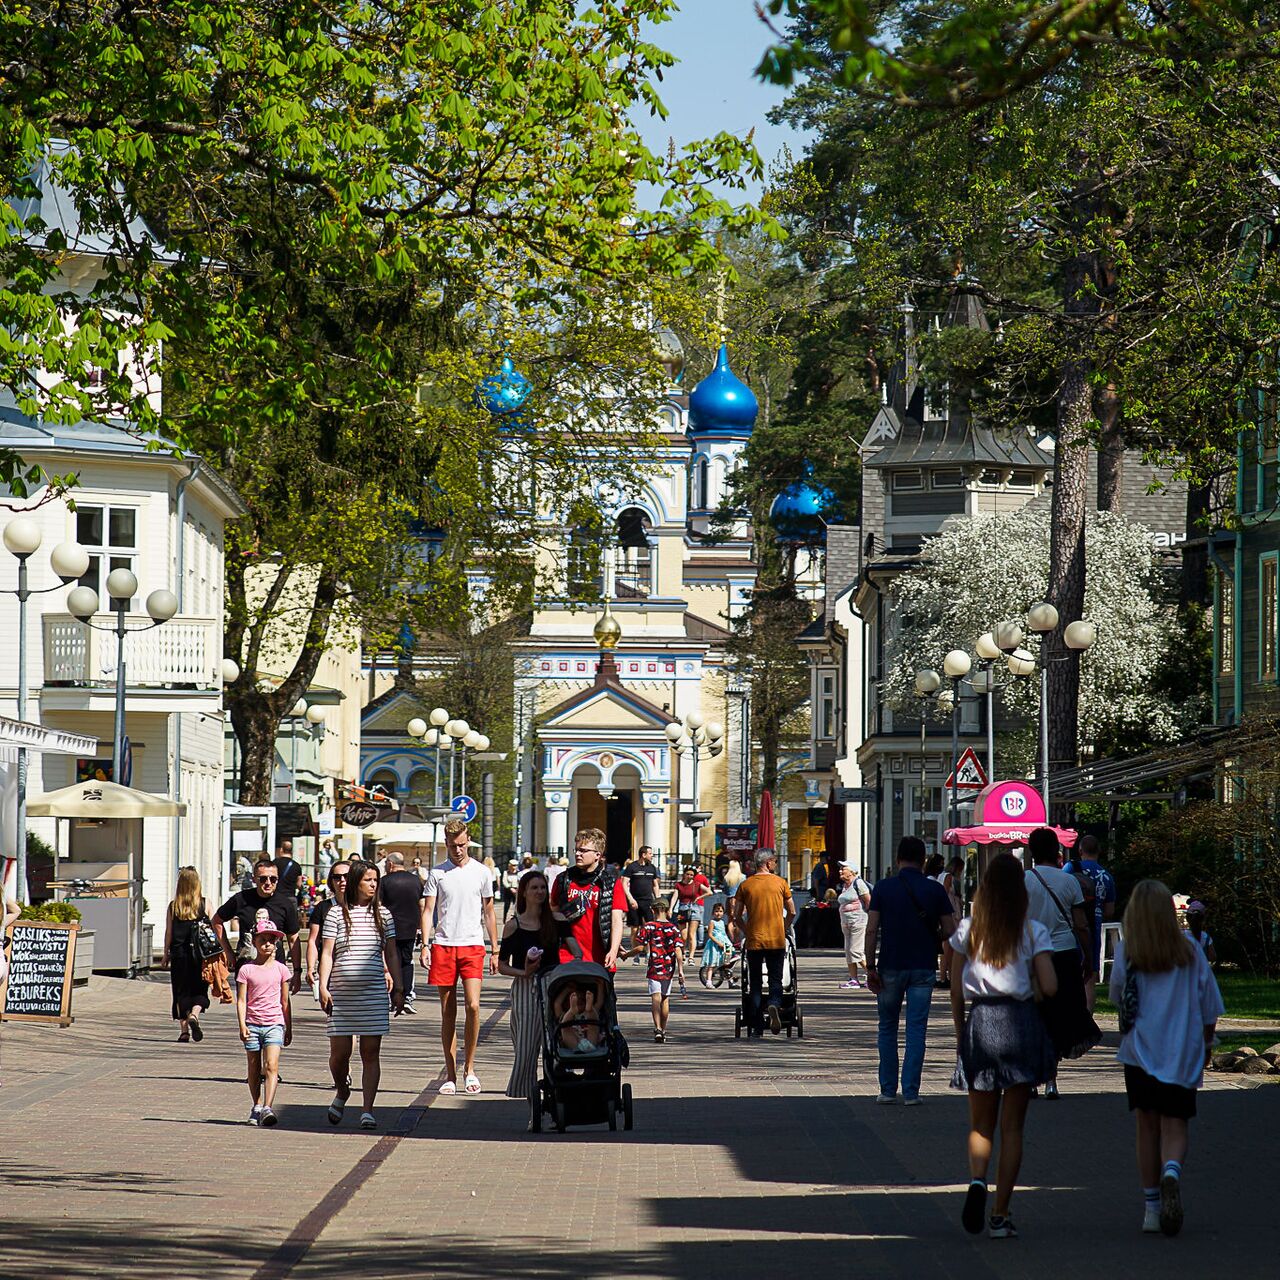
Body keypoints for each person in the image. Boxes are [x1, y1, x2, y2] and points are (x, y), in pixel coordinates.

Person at [949, 853, 1058, 1240]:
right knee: (1013, 1127)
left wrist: (961, 1029)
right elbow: (1049, 986)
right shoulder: (1033, 932)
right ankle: (1000, 1214)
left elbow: (953, 980)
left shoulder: (969, 929)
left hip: (982, 1021)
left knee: (981, 1124)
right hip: (1020, 1023)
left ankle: (978, 1180)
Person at [1111, 879, 1224, 1237]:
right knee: (1176, 1124)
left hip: (1140, 1051)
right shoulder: (1191, 951)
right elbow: (1210, 1006)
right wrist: (1207, 1044)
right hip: (1182, 1051)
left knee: (1147, 1127)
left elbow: (1117, 998)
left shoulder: (1129, 952)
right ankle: (1172, 1170)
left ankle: (1151, 1209)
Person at [864, 836, 957, 1104]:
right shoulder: (934, 890)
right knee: (917, 1029)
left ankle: (887, 1089)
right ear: (924, 860)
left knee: (887, 1027)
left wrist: (870, 966)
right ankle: (912, 1092)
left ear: (898, 859)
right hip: (923, 966)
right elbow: (950, 930)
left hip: (890, 965)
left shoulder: (883, 888)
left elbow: (871, 930)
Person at [318, 859, 403, 1131]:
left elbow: (392, 953)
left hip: (374, 994)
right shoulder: (335, 914)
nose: (373, 884)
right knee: (339, 1056)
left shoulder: (384, 915)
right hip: (342, 995)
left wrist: (399, 988)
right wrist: (322, 985)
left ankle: (367, 1110)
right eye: (368, 880)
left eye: (375, 880)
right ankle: (342, 1091)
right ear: (356, 882)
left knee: (370, 1052)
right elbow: (327, 953)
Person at [420, 817, 498, 1096]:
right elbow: (428, 910)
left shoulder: (481, 872)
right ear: (446, 844)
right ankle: (451, 1074)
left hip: (472, 945)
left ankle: (470, 1068)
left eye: (462, 844)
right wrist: (425, 944)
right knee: (448, 1012)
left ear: (468, 841)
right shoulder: (437, 873)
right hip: (443, 944)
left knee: (474, 1007)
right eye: (453, 845)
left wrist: (495, 948)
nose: (458, 850)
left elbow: (489, 912)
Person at [1023, 827, 1101, 1097]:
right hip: (1065, 955)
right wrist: (1088, 957)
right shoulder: (1069, 882)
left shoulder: (1023, 881)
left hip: (1032, 957)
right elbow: (1080, 925)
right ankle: (1051, 1081)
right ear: (1056, 851)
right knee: (1058, 1017)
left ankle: (1032, 1078)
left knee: (1035, 1016)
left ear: (1031, 852)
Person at [497, 869, 559, 1109]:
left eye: (542, 887)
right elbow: (502, 965)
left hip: (553, 985)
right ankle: (532, 1098)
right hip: (525, 987)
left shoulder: (556, 920)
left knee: (554, 1043)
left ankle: (556, 1093)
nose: (540, 892)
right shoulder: (514, 926)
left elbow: (573, 949)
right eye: (534, 888)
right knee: (526, 1046)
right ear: (524, 892)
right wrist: (524, 972)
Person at [236, 916, 294, 1126]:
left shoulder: (281, 970)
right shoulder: (246, 970)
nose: (267, 944)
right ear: (254, 942)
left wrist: (288, 1027)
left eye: (271, 940)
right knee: (253, 1067)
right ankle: (257, 1105)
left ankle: (269, 1107)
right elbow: (242, 1000)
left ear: (276, 943)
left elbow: (285, 1001)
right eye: (262, 939)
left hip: (274, 1024)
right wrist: (242, 1024)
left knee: (271, 1066)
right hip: (252, 1024)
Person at [213, 858, 303, 993]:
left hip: (275, 968)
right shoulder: (241, 899)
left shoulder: (285, 904)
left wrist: (297, 972)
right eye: (263, 879)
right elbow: (217, 921)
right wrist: (228, 952)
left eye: (273, 879)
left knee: (276, 1008)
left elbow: (293, 939)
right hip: (247, 967)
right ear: (254, 879)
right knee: (247, 1008)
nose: (268, 883)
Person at [731, 848, 795, 1037]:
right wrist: (783, 927)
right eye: (774, 861)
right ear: (768, 863)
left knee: (755, 982)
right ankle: (774, 1004)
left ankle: (757, 1025)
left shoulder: (746, 885)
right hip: (776, 939)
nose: (775, 864)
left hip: (754, 940)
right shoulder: (781, 883)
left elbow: (736, 915)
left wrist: (747, 930)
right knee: (776, 979)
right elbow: (791, 911)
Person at [550, 828, 627, 970]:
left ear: (598, 854)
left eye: (584, 851)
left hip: (599, 958)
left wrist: (613, 950)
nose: (578, 854)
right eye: (577, 850)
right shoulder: (563, 880)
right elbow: (552, 910)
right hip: (566, 956)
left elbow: (616, 920)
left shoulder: (610, 883)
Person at [1063, 834, 1116, 1010]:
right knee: (1089, 981)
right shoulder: (1107, 876)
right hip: (1094, 929)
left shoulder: (1070, 868)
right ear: (1099, 851)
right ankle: (1087, 1025)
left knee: (1070, 980)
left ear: (1080, 850)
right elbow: (1110, 911)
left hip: (1071, 930)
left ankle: (1071, 1024)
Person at [162, 866, 212, 1043]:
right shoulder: (205, 904)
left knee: (181, 992)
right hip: (200, 956)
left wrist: (165, 953)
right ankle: (195, 1015)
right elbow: (213, 931)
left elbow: (169, 932)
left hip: (179, 955)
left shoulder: (174, 907)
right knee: (200, 989)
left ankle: (184, 1032)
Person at [380, 851, 424, 1010]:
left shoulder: (384, 881)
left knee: (392, 961)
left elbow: (378, 905)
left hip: (389, 928)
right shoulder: (415, 881)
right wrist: (420, 927)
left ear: (390, 864)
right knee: (407, 961)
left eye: (386, 864)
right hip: (410, 928)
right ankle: (406, 997)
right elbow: (422, 905)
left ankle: (394, 997)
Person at [637, 899, 685, 1043]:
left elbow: (640, 947)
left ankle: (657, 1028)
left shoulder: (649, 926)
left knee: (655, 998)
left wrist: (625, 955)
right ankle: (663, 1030)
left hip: (654, 967)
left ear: (653, 910)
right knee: (665, 998)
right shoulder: (674, 928)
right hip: (669, 968)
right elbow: (678, 950)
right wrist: (681, 971)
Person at [305, 861, 350, 997]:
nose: (342, 880)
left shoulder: (363, 907)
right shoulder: (323, 908)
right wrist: (311, 968)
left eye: (347, 876)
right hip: (330, 968)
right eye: (337, 877)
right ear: (331, 881)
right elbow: (313, 940)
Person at [836, 862, 873, 989]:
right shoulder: (845, 886)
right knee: (848, 951)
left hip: (858, 922)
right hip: (846, 923)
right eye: (840, 869)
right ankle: (853, 980)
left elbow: (869, 902)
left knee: (855, 951)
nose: (840, 871)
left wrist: (869, 919)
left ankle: (873, 974)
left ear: (852, 871)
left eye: (843, 869)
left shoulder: (859, 884)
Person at [622, 844, 661, 957]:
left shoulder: (652, 868)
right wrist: (630, 899)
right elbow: (624, 883)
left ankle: (649, 952)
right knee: (635, 928)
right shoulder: (632, 867)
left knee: (649, 927)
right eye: (650, 853)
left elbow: (655, 885)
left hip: (648, 901)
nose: (652, 855)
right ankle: (636, 954)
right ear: (643, 855)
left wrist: (657, 900)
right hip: (634, 902)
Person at [670, 864, 712, 960]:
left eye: (692, 875)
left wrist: (699, 897)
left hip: (694, 909)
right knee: (683, 935)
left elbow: (710, 892)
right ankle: (683, 952)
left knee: (691, 934)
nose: (689, 876)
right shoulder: (679, 885)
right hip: (682, 909)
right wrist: (671, 909)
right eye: (688, 874)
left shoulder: (696, 884)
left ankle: (691, 957)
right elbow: (675, 897)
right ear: (684, 874)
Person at [699, 901, 733, 987]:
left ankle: (730, 981)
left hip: (725, 944)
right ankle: (709, 981)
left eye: (721, 911)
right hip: (715, 945)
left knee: (727, 962)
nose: (718, 913)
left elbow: (724, 934)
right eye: (716, 911)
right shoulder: (712, 922)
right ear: (713, 912)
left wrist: (728, 943)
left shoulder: (722, 922)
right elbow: (710, 935)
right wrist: (718, 943)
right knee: (712, 963)